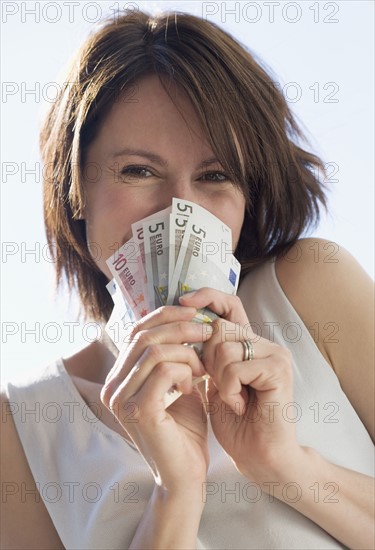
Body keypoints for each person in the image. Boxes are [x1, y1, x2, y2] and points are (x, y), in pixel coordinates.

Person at [1, 10, 374, 550]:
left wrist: (288, 467)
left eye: (215, 175)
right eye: (138, 170)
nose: (181, 207)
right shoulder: (23, 427)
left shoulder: (313, 288)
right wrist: (175, 493)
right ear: (76, 185)